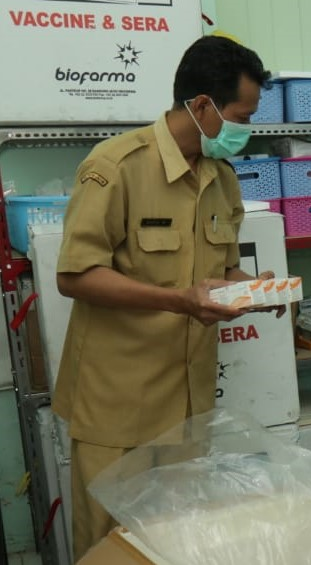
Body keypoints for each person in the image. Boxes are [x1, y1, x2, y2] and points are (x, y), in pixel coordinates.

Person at [52, 35, 276, 561]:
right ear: (202, 106)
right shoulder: (117, 166)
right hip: (117, 407)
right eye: (242, 116)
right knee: (109, 549)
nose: (247, 130)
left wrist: (256, 290)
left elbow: (220, 272)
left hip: (188, 407)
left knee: (176, 543)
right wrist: (181, 301)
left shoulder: (221, 178)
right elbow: (75, 275)